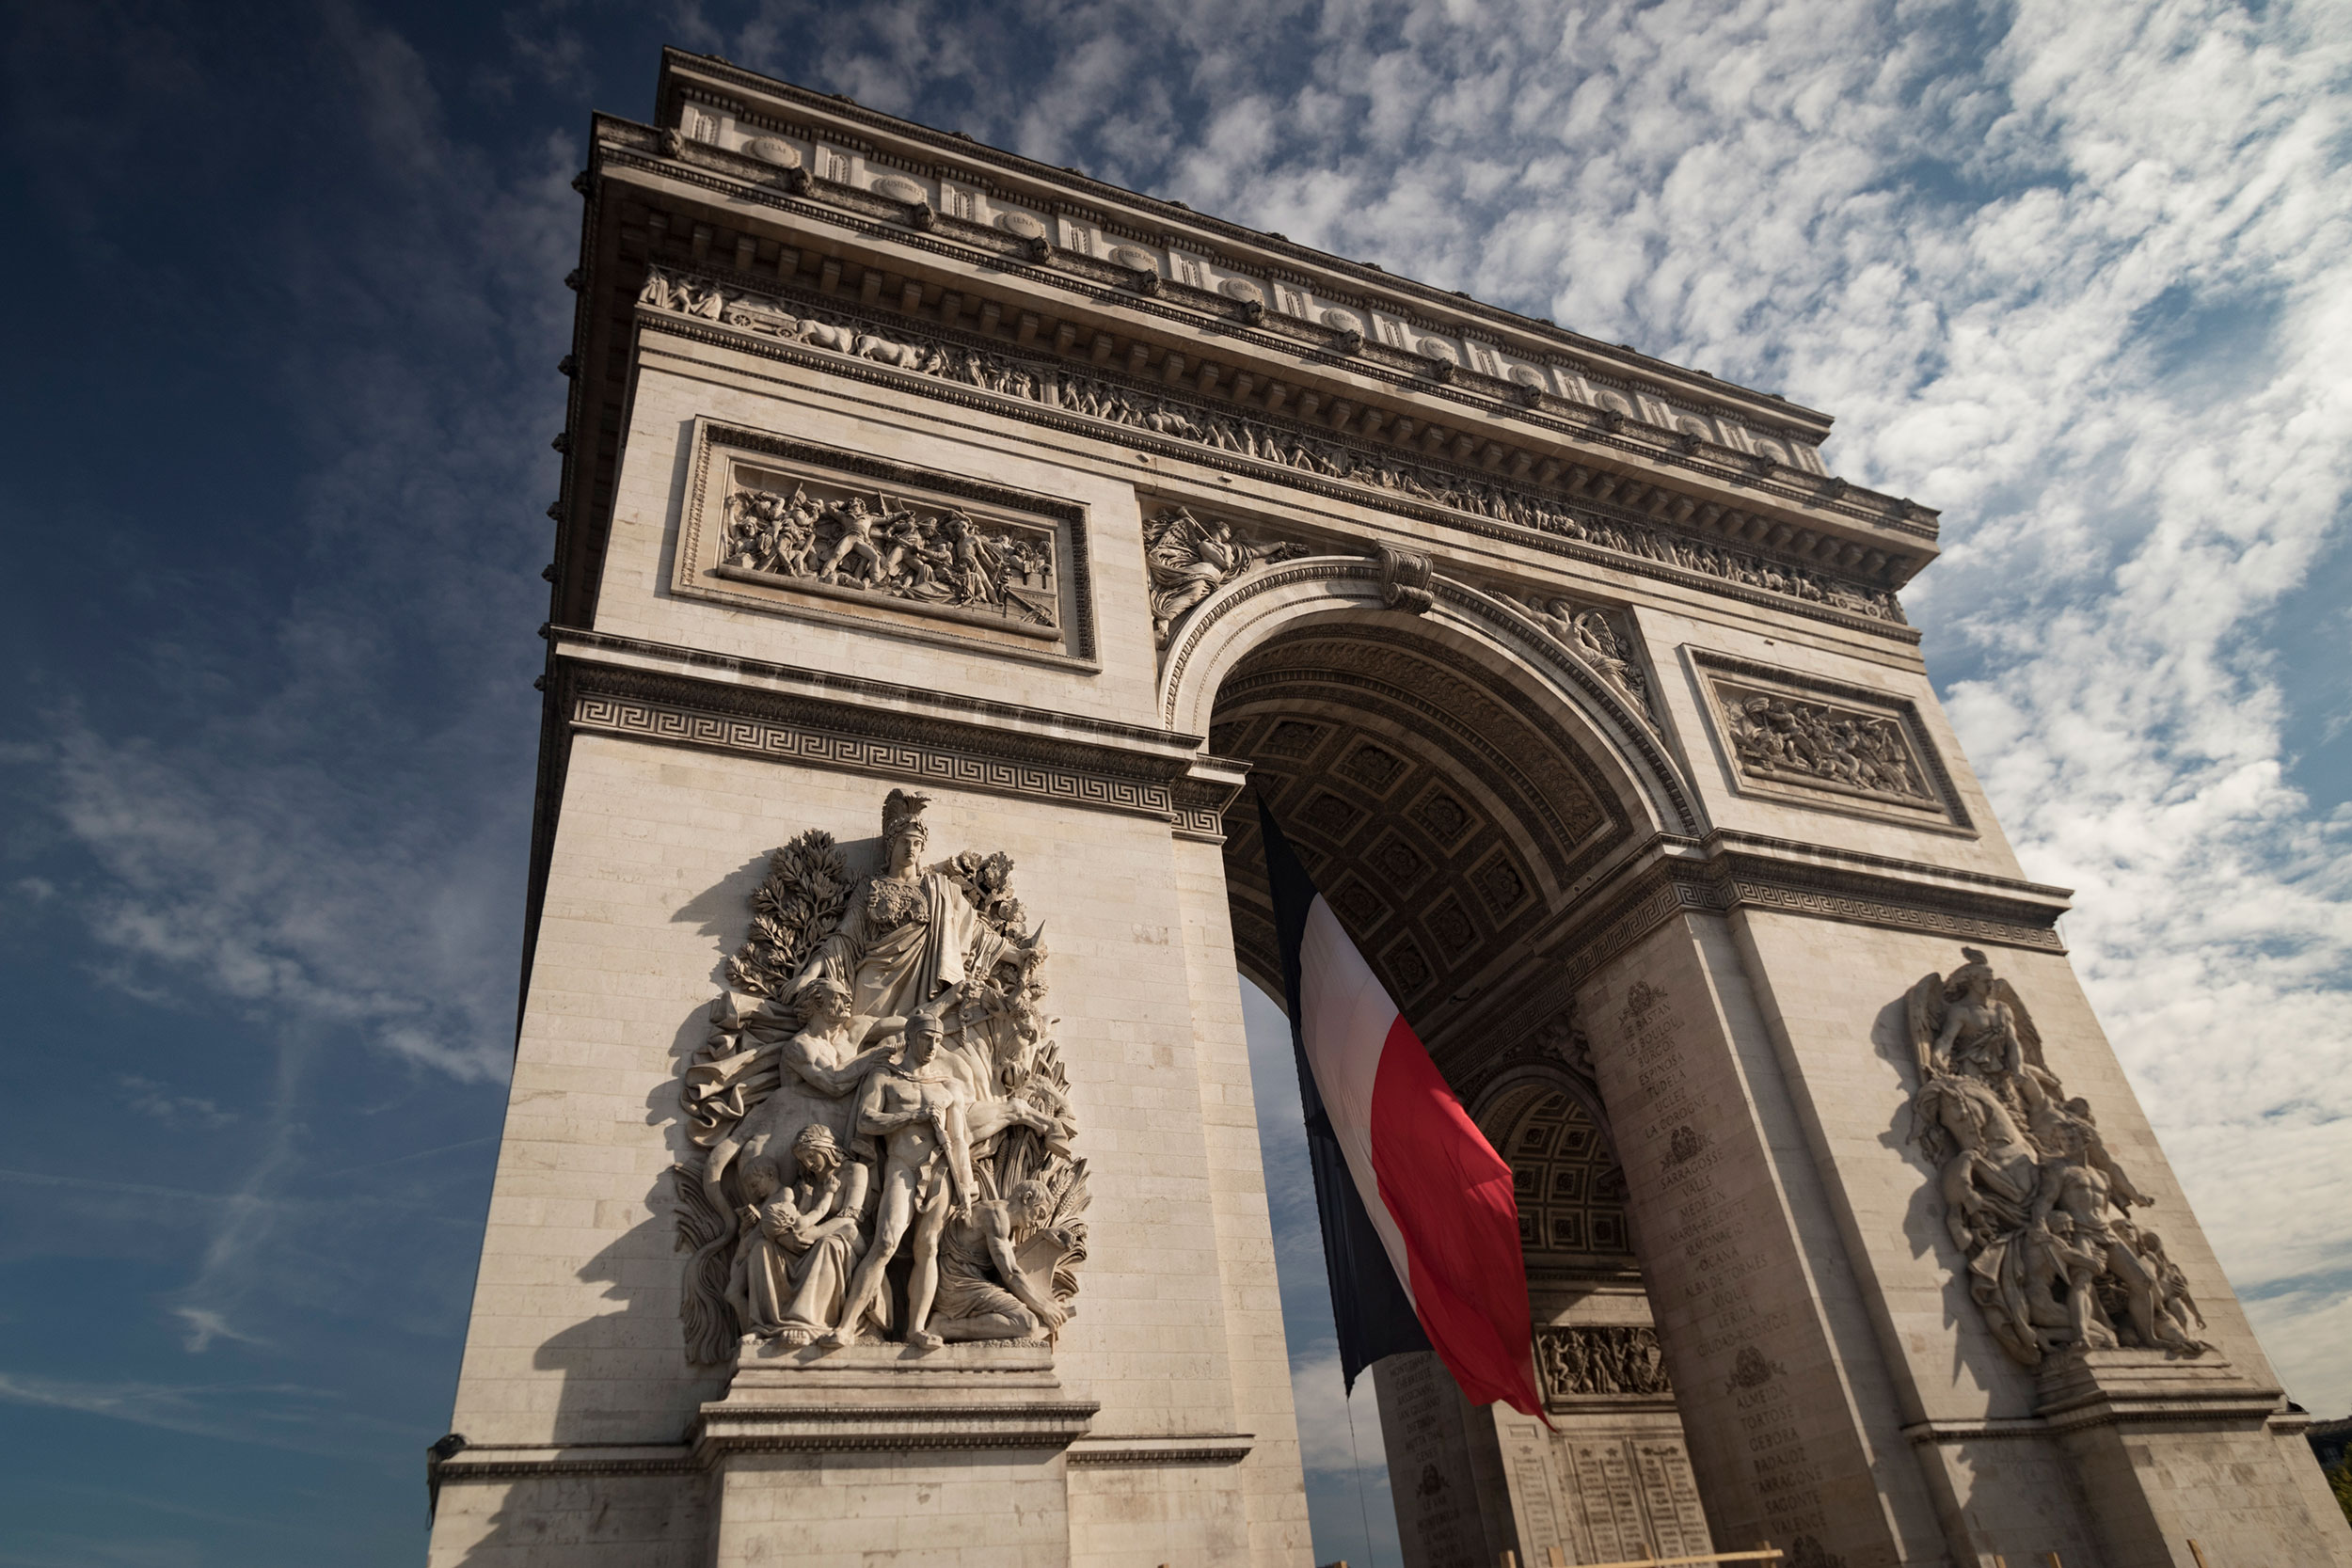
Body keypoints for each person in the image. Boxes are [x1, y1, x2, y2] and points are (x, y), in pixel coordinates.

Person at [914, 1178, 1071, 1348]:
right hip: (957, 1287)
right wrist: (1044, 1306)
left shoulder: (1001, 1218)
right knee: (1026, 1323)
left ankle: (946, 1324)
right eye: (1039, 1213)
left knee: (1026, 1320)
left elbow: (1011, 1255)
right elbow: (1010, 1272)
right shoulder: (995, 1216)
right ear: (1027, 1197)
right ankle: (945, 1327)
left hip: (968, 1284)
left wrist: (1043, 1235)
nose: (1037, 1222)